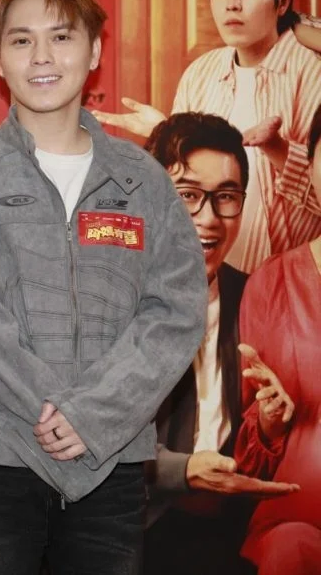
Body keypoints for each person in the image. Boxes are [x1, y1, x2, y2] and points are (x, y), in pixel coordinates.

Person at [0, 0, 207, 574]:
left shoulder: (143, 180)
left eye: (61, 36)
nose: (42, 57)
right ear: (0, 59)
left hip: (111, 464)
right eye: (21, 40)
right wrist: (57, 412)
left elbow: (176, 312)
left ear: (94, 52)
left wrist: (94, 415)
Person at [95, 0, 321, 274]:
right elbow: (184, 190)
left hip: (292, 282)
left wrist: (277, 148)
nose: (232, 4)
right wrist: (167, 133)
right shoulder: (202, 73)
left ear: (282, 0)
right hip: (209, 277)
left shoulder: (313, 73)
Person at [142, 112, 298, 575]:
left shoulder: (255, 296)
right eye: (187, 196)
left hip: (231, 535)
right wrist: (181, 470)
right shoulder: (106, 297)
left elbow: (260, 449)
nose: (208, 219)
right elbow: (74, 440)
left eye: (226, 197)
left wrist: (270, 428)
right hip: (129, 528)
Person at [231, 104, 321, 574]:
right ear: (311, 168)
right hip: (296, 520)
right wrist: (269, 424)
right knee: (290, 549)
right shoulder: (272, 282)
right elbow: (249, 457)